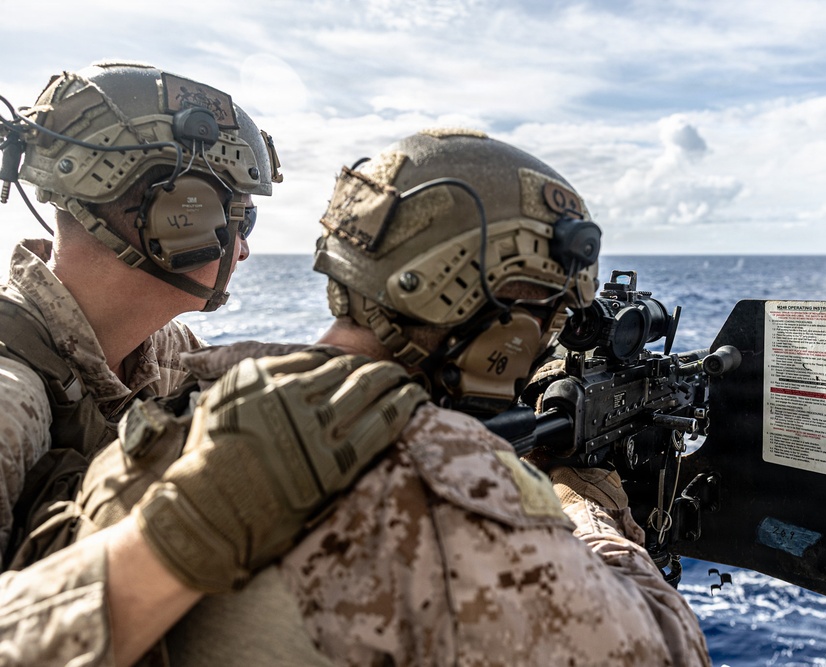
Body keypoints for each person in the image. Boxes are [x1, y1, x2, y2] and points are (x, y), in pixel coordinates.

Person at [65, 129, 712, 665]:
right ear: (499, 316)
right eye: (545, 314)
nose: (545, 339)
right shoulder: (441, 485)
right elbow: (668, 650)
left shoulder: (182, 401)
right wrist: (578, 500)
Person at [0, 60, 278, 561]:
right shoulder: (9, 409)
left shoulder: (154, 347)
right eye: (244, 218)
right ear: (178, 217)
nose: (243, 250)